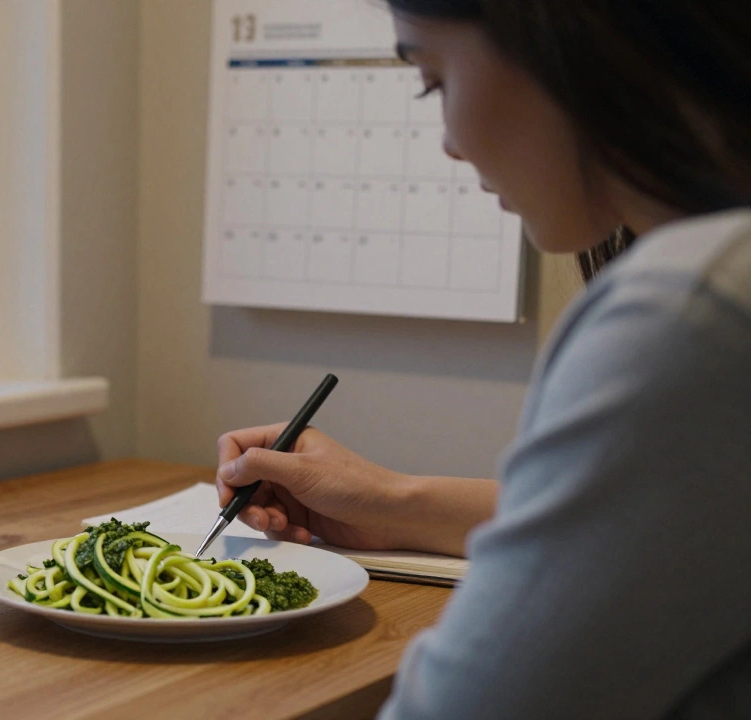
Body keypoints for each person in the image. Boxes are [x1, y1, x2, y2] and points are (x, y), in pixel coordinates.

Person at [215, 2, 751, 717]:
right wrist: (395, 504)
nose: (450, 145)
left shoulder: (687, 312)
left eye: (432, 79)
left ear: (562, 36)